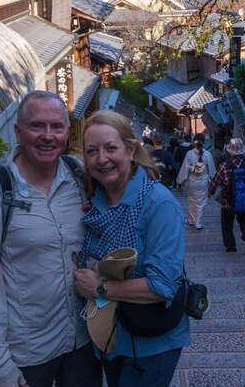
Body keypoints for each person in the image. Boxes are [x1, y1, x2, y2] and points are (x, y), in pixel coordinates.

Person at [0, 91, 102, 387]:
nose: (48, 136)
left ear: (68, 131)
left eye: (56, 127)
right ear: (18, 131)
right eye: (37, 126)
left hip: (83, 342)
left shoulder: (79, 178)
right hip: (26, 355)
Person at [73, 110, 190, 387]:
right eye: (92, 151)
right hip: (110, 334)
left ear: (130, 150)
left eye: (111, 148)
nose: (102, 159)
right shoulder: (96, 199)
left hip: (151, 342)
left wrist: (99, 287)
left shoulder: (157, 203)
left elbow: (163, 284)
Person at [208, 138, 245, 252]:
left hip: (227, 201)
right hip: (244, 198)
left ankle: (231, 246)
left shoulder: (225, 165)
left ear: (230, 151)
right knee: (244, 218)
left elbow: (216, 181)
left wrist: (210, 191)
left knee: (226, 223)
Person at [176, 133, 215, 230]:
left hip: (193, 180)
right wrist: (213, 180)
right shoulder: (207, 154)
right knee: (201, 202)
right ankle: (197, 222)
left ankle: (191, 220)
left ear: (194, 143)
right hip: (203, 181)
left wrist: (180, 181)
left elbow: (185, 168)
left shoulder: (189, 153)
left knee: (191, 200)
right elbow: (212, 170)